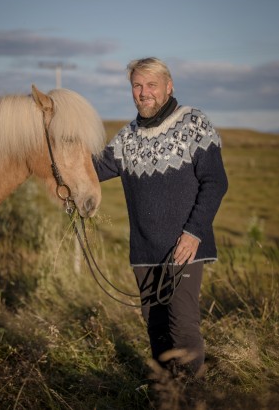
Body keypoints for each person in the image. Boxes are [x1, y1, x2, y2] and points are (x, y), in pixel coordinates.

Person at [93, 57, 228, 377]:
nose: (144, 92)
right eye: (137, 85)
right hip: (145, 251)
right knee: (155, 327)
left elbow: (216, 182)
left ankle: (189, 394)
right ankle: (168, 390)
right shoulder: (127, 137)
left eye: (151, 85)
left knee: (182, 325)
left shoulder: (194, 122)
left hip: (184, 245)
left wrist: (194, 232)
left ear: (169, 86)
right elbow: (94, 169)